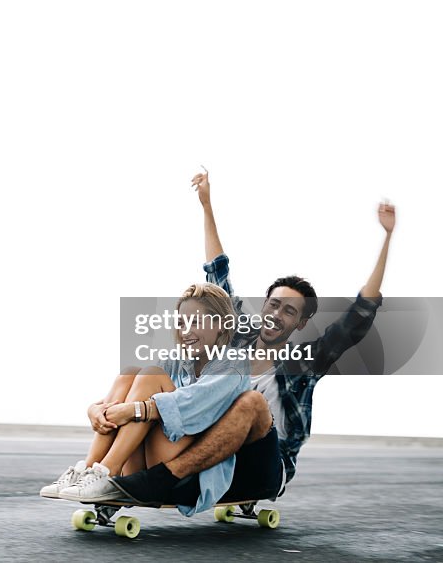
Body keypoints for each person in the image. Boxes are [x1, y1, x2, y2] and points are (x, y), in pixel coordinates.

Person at [112, 169, 396, 507]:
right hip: (213, 450)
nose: (277, 314)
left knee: (251, 403)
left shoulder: (305, 362)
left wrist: (387, 238)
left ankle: (160, 480)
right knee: (143, 375)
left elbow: (357, 319)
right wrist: (206, 205)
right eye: (274, 305)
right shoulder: (236, 337)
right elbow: (219, 275)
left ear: (301, 323)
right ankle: (109, 475)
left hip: (265, 465)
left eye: (290, 311)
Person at [39, 282, 252, 509]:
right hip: (145, 458)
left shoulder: (233, 364)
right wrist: (94, 409)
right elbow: (132, 392)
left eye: (196, 322)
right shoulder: (177, 360)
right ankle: (88, 469)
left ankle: (107, 471)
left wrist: (134, 410)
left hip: (188, 469)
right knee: (130, 373)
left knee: (151, 375)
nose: (186, 331)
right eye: (181, 323)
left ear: (220, 325)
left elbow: (190, 405)